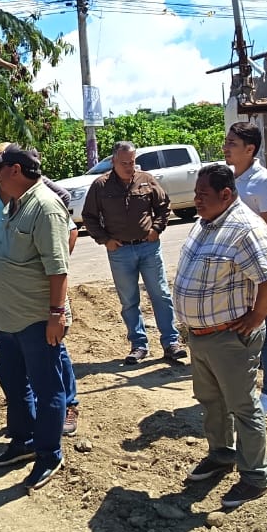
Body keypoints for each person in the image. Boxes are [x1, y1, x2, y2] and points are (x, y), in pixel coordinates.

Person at [173, 163, 267, 510]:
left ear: (225, 194)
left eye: (202, 194)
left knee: (242, 407)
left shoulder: (246, 228)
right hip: (202, 336)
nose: (196, 199)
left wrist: (257, 317)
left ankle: (255, 476)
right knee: (211, 400)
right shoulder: (205, 222)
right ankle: (221, 454)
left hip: (230, 338)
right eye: (196, 193)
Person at [0, 144, 82, 438]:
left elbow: (58, 265)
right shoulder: (8, 203)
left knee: (47, 382)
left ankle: (48, 448)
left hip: (35, 311)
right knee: (15, 381)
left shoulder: (45, 205)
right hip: (8, 312)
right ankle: (23, 440)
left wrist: (56, 312)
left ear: (15, 170)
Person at [81, 140, 187, 365]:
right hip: (120, 252)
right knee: (129, 300)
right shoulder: (101, 186)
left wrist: (156, 229)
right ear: (113, 162)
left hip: (148, 248)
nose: (130, 167)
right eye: (125, 163)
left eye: (132, 162)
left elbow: (163, 206)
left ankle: (171, 343)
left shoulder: (146, 180)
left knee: (160, 294)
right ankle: (139, 345)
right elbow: (89, 217)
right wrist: (105, 240)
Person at [223, 121, 267, 417]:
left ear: (250, 149)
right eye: (226, 142)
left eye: (232, 144)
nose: (226, 147)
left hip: (261, 267)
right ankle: (241, 392)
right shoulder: (229, 178)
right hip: (234, 267)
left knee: (265, 327)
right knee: (237, 328)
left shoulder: (265, 182)